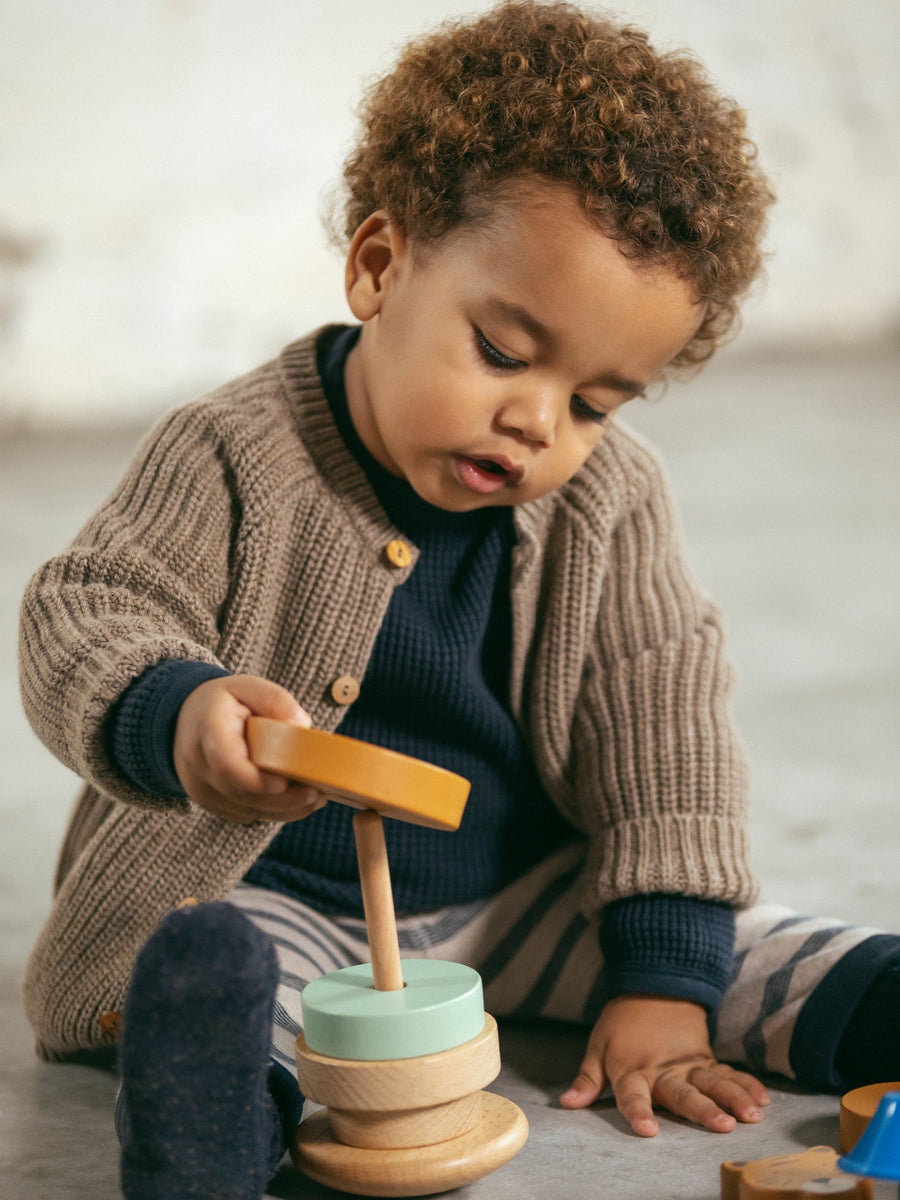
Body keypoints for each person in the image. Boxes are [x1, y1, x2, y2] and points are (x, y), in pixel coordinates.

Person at [18, 3, 900, 1198]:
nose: (541, 423)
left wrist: (662, 984)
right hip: (275, 892)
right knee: (234, 989)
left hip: (522, 897)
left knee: (773, 954)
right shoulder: (235, 451)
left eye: (596, 402)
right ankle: (217, 1125)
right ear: (380, 266)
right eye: (503, 351)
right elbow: (87, 609)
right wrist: (177, 711)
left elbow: (667, 735)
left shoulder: (611, 505)